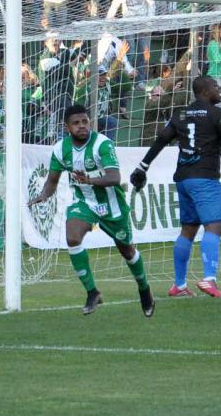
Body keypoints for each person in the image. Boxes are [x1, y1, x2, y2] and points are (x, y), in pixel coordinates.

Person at [129, 76, 221, 298]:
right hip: (204, 178)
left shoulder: (180, 114)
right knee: (215, 225)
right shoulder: (216, 113)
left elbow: (161, 139)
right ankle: (209, 279)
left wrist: (143, 166)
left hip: (183, 179)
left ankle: (179, 285)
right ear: (205, 91)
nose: (219, 90)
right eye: (216, 87)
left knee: (188, 230)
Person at [28, 104, 155, 317]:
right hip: (84, 202)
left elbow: (114, 177)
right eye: (76, 123)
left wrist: (89, 180)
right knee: (72, 237)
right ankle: (92, 292)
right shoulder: (60, 149)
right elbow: (52, 180)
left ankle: (144, 288)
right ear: (66, 127)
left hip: (113, 206)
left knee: (127, 251)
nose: (81, 126)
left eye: (85, 121)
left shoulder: (102, 144)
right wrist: (43, 194)